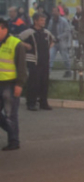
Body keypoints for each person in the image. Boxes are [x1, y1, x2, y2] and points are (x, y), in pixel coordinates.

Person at [18, 13, 56, 111]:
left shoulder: (47, 33)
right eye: (41, 20)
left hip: (45, 61)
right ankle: (31, 103)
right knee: (33, 82)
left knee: (44, 82)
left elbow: (53, 40)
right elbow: (16, 40)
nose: (43, 22)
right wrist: (26, 45)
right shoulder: (28, 32)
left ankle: (43, 102)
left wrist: (49, 46)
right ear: (35, 21)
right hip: (33, 61)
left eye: (44, 20)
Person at [0, 18, 27, 151]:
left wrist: (19, 84)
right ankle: (11, 132)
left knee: (10, 114)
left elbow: (22, 67)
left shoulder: (16, 44)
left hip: (10, 85)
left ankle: (14, 140)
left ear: (4, 29)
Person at [48, 10, 72, 78]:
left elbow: (67, 31)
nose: (54, 13)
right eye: (53, 12)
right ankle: (48, 73)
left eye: (55, 12)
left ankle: (68, 71)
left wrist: (59, 37)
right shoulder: (51, 21)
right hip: (53, 42)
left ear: (58, 13)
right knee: (50, 57)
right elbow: (49, 30)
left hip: (62, 42)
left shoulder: (64, 21)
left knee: (65, 58)